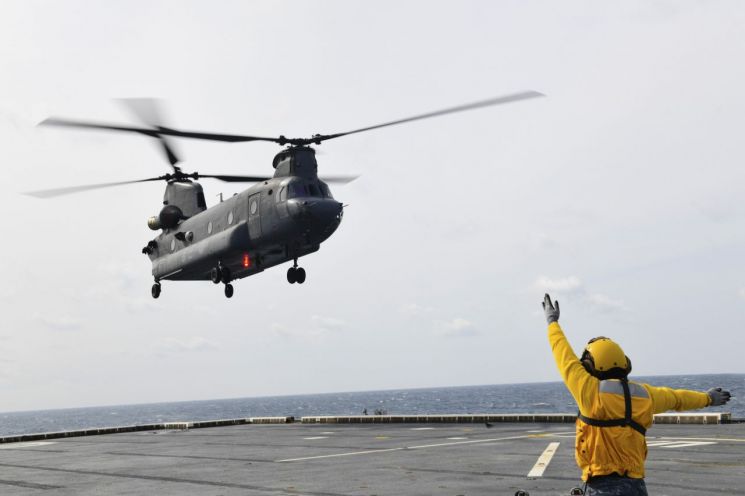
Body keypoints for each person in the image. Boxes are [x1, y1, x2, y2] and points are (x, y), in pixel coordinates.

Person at [541, 294, 731, 496]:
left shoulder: (589, 392)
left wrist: (552, 323)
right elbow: (678, 398)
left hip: (601, 486)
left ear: (590, 366)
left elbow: (564, 357)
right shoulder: (645, 395)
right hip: (636, 486)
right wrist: (708, 398)